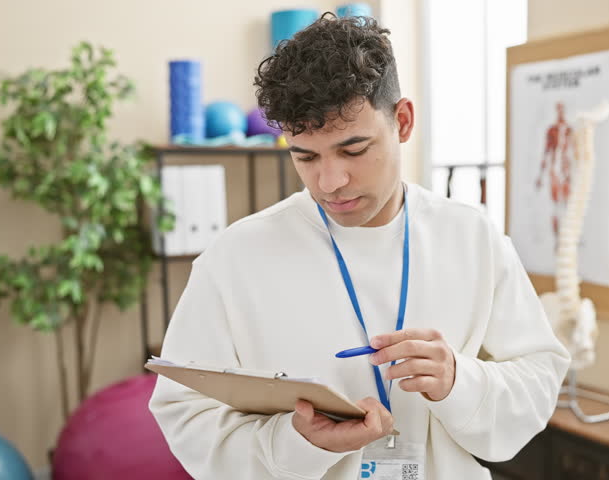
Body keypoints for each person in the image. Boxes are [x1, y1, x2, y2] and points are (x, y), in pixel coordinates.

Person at [150, 13, 569, 480]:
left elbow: (539, 376)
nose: (330, 183)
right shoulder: (235, 256)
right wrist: (297, 443)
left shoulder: (471, 237)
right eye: (305, 155)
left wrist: (457, 381)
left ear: (403, 121)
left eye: (353, 150)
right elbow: (185, 414)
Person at [535, 102, 577, 241]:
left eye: (562, 109)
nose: (560, 112)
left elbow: (574, 151)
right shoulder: (551, 130)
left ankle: (567, 237)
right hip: (555, 169)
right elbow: (546, 153)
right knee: (555, 205)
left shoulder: (569, 130)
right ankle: (557, 237)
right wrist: (540, 176)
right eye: (558, 109)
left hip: (566, 170)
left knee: (566, 203)